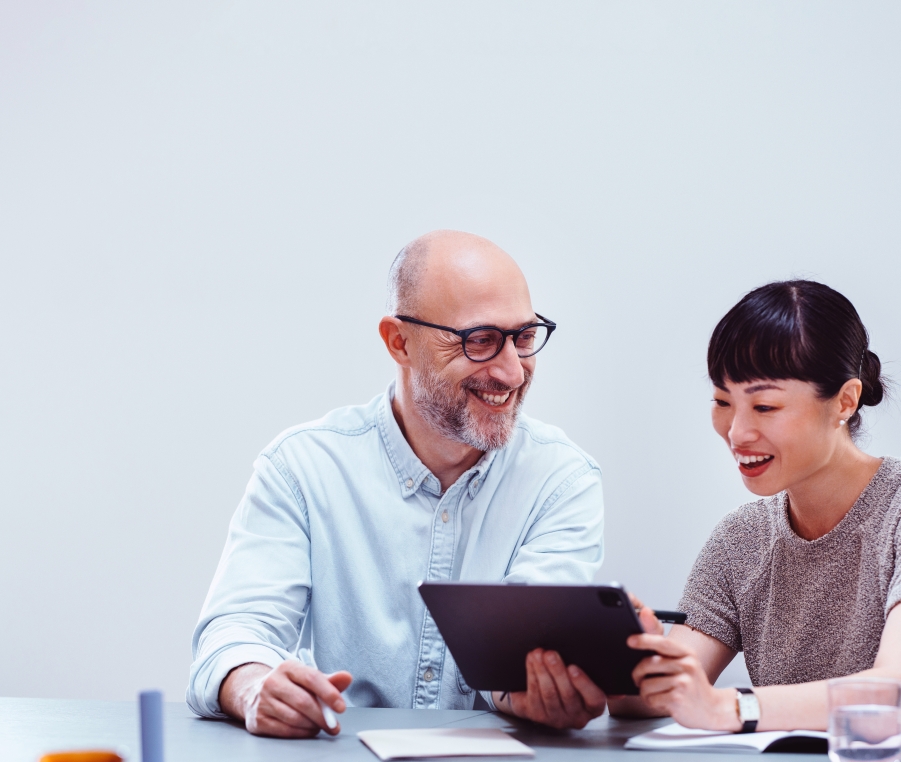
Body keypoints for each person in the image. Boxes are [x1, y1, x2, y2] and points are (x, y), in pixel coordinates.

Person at [187, 230, 616, 736]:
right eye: (479, 341)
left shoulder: (562, 479)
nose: (512, 372)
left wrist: (538, 689)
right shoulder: (302, 467)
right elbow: (235, 632)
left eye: (523, 338)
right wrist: (255, 687)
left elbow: (529, 661)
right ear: (399, 342)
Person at [614, 280, 901, 730]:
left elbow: (894, 696)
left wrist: (725, 707)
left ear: (845, 401)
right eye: (722, 401)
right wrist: (641, 659)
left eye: (765, 406)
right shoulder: (739, 539)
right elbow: (650, 702)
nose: (736, 432)